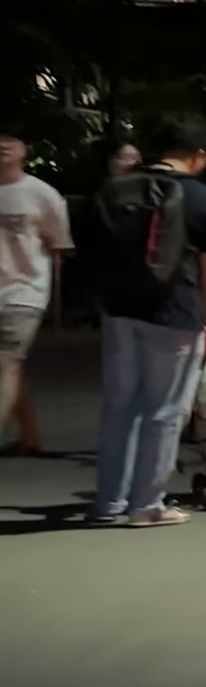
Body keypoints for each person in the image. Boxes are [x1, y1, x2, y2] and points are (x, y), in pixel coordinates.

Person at [89, 114, 206, 526]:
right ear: (199, 155)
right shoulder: (201, 197)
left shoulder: (117, 188)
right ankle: (147, 504)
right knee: (165, 409)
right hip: (173, 311)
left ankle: (109, 501)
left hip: (118, 308)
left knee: (119, 406)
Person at [0, 133, 73, 456]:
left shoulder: (42, 194)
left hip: (24, 292)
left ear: (24, 151)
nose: (3, 147)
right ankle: (31, 436)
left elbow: (59, 246)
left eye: (10, 141)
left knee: (6, 361)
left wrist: (49, 295)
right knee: (10, 367)